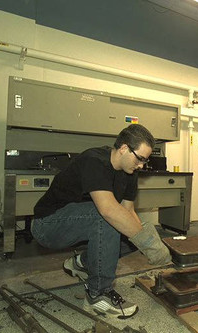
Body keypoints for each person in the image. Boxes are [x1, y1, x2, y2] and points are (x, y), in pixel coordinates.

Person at [32, 124, 171, 319]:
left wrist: (148, 242)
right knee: (109, 218)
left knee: (131, 234)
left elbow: (128, 211)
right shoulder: (94, 161)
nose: (141, 165)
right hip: (48, 224)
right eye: (140, 159)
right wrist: (149, 243)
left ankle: (82, 262)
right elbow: (108, 211)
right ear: (123, 148)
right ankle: (97, 294)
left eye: (145, 161)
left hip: (83, 223)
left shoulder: (130, 172)